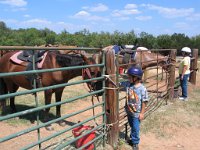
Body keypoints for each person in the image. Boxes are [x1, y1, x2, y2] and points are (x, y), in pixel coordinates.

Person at [120, 66, 149, 150]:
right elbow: (119, 84)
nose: (128, 78)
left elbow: (144, 101)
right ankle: (132, 139)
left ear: (136, 77)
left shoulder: (142, 89)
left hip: (137, 113)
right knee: (132, 125)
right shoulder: (128, 84)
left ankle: (135, 143)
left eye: (129, 77)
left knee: (135, 128)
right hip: (129, 111)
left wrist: (142, 113)